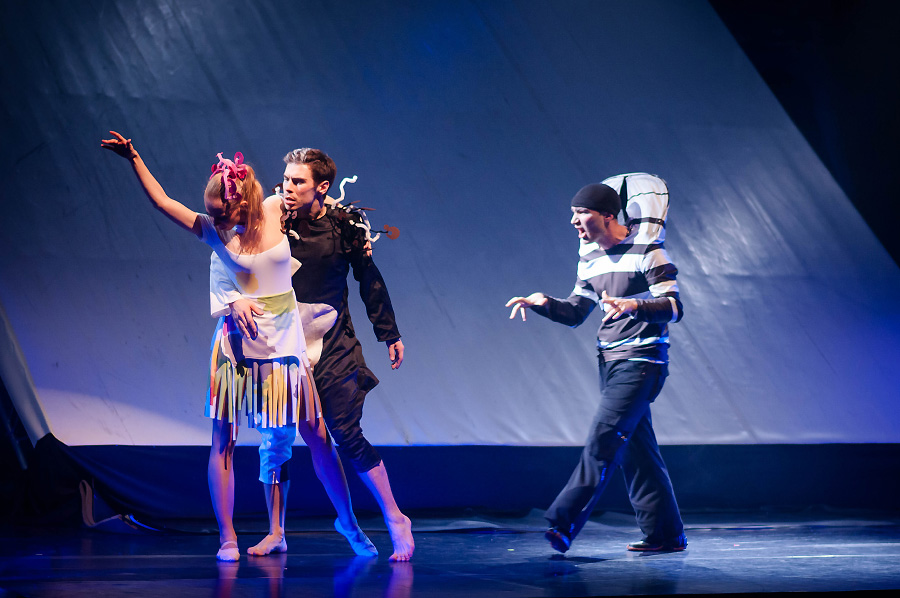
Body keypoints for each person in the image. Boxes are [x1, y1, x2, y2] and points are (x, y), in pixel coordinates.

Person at [100, 132, 376, 561]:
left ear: (242, 203)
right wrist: (135, 157)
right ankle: (227, 537)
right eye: (211, 213)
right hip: (238, 347)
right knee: (224, 438)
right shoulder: (214, 232)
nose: (214, 219)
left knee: (316, 435)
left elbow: (322, 203)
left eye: (221, 212)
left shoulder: (275, 208)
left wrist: (358, 233)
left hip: (284, 345)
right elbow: (163, 203)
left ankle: (350, 524)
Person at [223, 148, 414, 561]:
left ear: (322, 187)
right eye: (285, 179)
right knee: (276, 437)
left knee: (343, 432)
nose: (288, 187)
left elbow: (368, 278)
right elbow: (231, 254)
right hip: (280, 341)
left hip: (329, 339)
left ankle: (394, 517)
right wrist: (234, 298)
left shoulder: (345, 225)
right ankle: (277, 531)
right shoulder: (273, 215)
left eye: (298, 181)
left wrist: (389, 333)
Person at [506, 182, 687, 553]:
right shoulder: (589, 257)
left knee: (603, 439)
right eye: (573, 214)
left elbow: (673, 308)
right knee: (637, 450)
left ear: (607, 215)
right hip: (609, 362)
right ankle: (666, 534)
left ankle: (563, 522)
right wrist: (544, 304)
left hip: (642, 361)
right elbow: (576, 312)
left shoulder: (647, 251)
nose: (574, 221)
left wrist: (634, 306)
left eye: (581, 213)